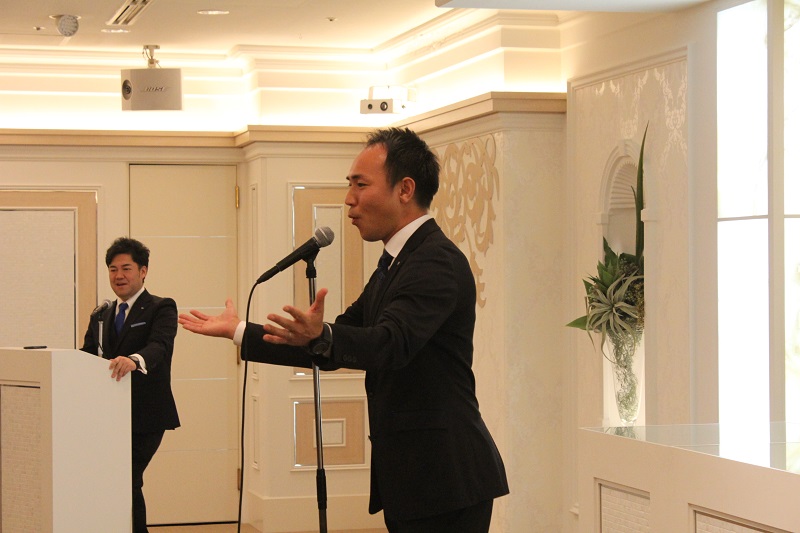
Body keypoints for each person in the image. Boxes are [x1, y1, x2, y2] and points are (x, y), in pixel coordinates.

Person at [178, 127, 509, 533]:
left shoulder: (434, 261)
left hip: (446, 475)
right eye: (349, 185)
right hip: (416, 476)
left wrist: (323, 337)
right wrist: (240, 331)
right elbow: (335, 342)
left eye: (360, 185)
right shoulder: (396, 261)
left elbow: (390, 344)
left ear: (405, 189)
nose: (349, 199)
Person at [81, 237, 180, 533]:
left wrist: (135, 360)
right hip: (109, 415)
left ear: (143, 271)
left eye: (126, 268)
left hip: (146, 415)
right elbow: (87, 355)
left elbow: (160, 346)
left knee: (127, 478)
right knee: (117, 480)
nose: (119, 276)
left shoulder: (161, 307)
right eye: (113, 269)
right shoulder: (101, 314)